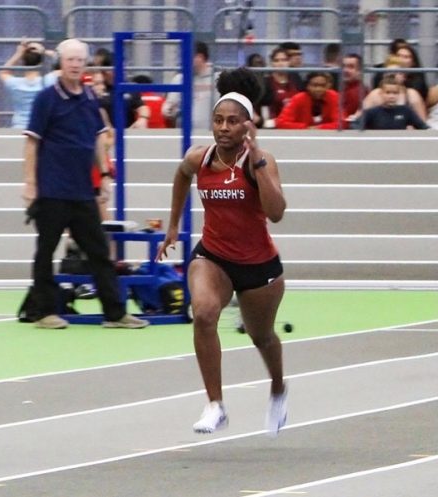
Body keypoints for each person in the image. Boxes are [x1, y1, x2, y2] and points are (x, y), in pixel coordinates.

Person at [157, 67, 288, 437]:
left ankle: (278, 387)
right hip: (213, 256)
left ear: (248, 125)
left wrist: (258, 159)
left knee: (262, 336)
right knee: (204, 314)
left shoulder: (260, 162)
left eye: (233, 121)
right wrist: (172, 226)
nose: (224, 127)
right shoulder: (200, 158)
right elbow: (181, 175)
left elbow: (276, 213)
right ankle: (215, 404)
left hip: (258, 265)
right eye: (218, 120)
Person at [21, 38, 150, 331]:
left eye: (80, 60)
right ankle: (44, 313)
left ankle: (115, 314)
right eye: (70, 60)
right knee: (46, 251)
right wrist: (30, 184)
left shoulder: (90, 98)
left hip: (82, 192)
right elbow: (31, 143)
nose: (76, 65)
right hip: (52, 191)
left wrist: (104, 174)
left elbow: (98, 138)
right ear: (61, 63)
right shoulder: (46, 99)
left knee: (100, 252)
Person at [163, 41, 215, 130]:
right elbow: (168, 107)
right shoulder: (179, 79)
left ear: (200, 57)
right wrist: (168, 109)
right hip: (184, 135)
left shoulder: (216, 79)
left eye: (188, 56)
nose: (184, 60)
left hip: (210, 134)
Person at [0, 40, 46, 130]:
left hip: (18, 127)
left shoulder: (15, 83)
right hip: (39, 128)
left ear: (23, 62)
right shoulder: (46, 82)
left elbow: (3, 72)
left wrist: (18, 53)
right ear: (41, 63)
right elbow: (62, 70)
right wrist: (44, 51)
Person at [358, 75, 429, 130]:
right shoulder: (372, 112)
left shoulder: (406, 111)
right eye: (388, 93)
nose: (391, 96)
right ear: (381, 93)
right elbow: (355, 125)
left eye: (395, 93)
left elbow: (423, 127)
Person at [275, 72, 342, 129]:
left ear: (328, 86)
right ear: (307, 86)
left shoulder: (334, 96)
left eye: (322, 85)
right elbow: (281, 122)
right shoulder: (298, 99)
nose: (318, 89)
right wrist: (305, 128)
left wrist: (319, 128)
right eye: (314, 85)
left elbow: (341, 123)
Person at [256, 47, 300, 129]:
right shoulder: (266, 83)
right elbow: (263, 107)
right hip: (273, 125)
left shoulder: (296, 79)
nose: (281, 63)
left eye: (284, 60)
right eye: (277, 60)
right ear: (272, 63)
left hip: (294, 124)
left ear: (289, 62)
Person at [340, 54, 365, 123]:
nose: (345, 70)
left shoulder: (358, 92)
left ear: (359, 71)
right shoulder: (343, 88)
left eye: (351, 67)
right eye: (343, 66)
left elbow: (345, 119)